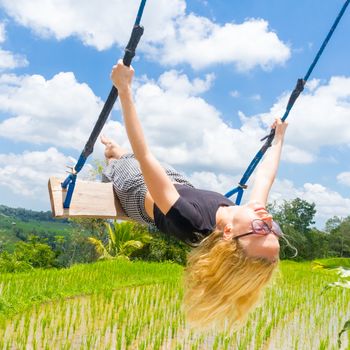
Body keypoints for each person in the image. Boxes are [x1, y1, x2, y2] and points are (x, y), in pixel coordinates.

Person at [101, 60, 288, 330]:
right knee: (123, 154)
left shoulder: (190, 221)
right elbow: (266, 176)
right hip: (177, 183)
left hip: (137, 187)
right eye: (274, 230)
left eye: (262, 229)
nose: (268, 220)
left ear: (228, 234)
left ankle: (111, 156)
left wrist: (124, 89)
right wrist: (279, 138)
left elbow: (144, 157)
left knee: (122, 161)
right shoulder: (248, 217)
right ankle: (113, 150)